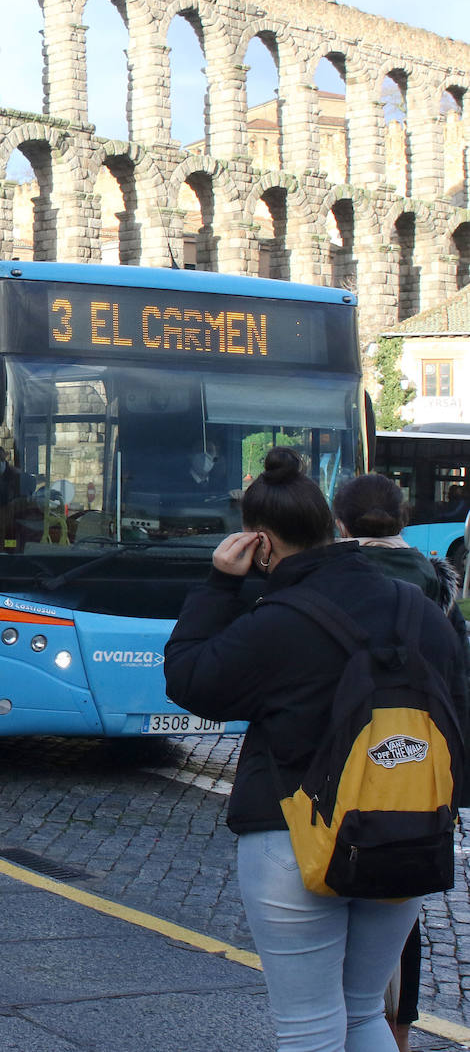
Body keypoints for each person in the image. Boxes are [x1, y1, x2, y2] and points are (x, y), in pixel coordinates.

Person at [163, 447, 468, 1051]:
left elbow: (192, 680)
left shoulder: (279, 619)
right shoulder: (420, 610)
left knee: (309, 1024)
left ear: (261, 543)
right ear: (332, 528)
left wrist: (220, 585)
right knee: (363, 1014)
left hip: (295, 833)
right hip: (407, 826)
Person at [333, 472, 469, 1052]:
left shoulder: (329, 578)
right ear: (405, 519)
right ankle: (399, 1029)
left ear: (339, 521)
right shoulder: (438, 582)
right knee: (398, 906)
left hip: (340, 762)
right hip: (419, 762)